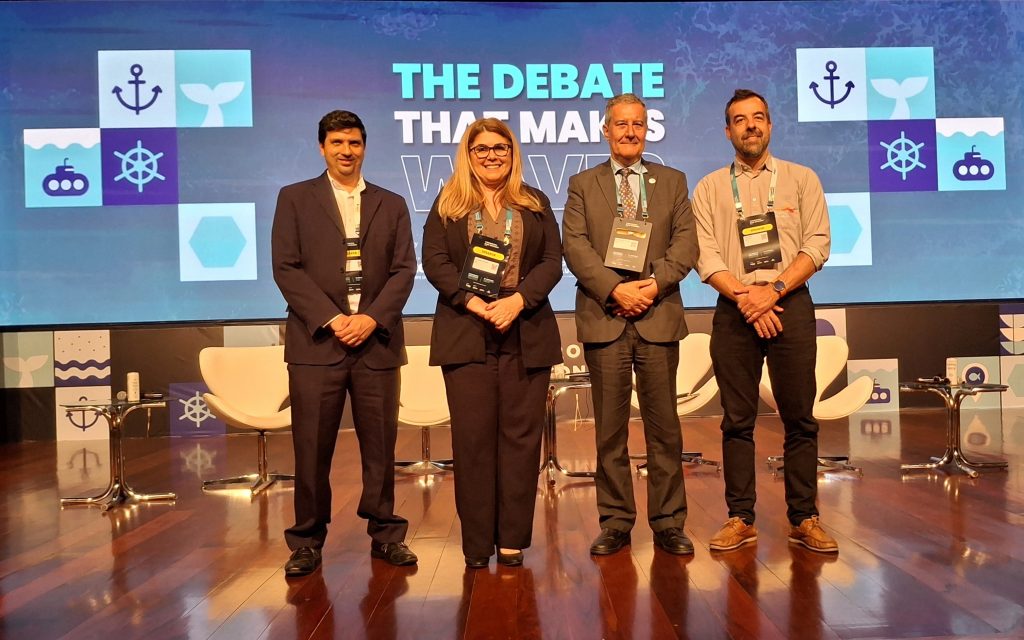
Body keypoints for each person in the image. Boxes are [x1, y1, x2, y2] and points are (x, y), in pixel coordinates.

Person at [272, 110, 418, 577]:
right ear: (322, 147)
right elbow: (286, 268)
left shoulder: (391, 203)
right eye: (337, 142)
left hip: (376, 343)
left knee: (381, 446)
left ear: (364, 147)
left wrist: (371, 318)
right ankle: (306, 540)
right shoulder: (294, 198)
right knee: (311, 448)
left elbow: (404, 270)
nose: (346, 151)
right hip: (317, 344)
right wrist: (334, 319)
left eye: (354, 142)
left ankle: (387, 534)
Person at [692, 89, 836, 553]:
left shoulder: (802, 179)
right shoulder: (710, 188)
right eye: (740, 119)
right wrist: (746, 297)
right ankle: (740, 518)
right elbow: (704, 254)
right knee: (737, 421)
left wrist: (771, 291)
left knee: (800, 418)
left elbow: (817, 244)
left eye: (758, 117)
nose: (750, 125)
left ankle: (805, 517)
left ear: (770, 126)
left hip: (789, 303)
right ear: (727, 131)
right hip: (735, 309)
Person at [421, 117, 562, 568]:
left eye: (500, 148)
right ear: (468, 155)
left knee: (521, 439)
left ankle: (512, 538)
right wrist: (473, 302)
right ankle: (477, 543)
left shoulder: (534, 202)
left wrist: (518, 300)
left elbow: (552, 262)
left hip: (525, 326)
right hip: (467, 328)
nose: (491, 156)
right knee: (473, 441)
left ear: (512, 153)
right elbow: (435, 261)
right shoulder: (448, 202)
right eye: (481, 149)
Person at [562, 94, 698, 556]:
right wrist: (615, 290)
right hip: (606, 317)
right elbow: (575, 247)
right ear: (606, 130)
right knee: (609, 432)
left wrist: (653, 285)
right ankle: (616, 521)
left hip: (657, 315)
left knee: (665, 431)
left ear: (647, 130)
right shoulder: (583, 184)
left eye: (638, 124)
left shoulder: (673, 181)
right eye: (621, 124)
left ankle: (669, 522)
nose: (629, 132)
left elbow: (686, 243)